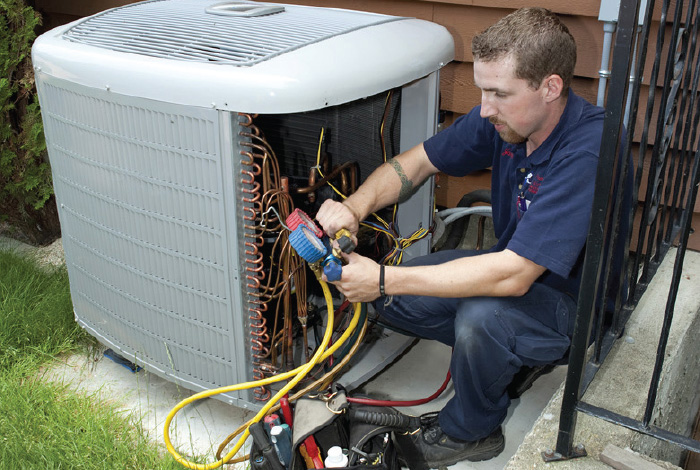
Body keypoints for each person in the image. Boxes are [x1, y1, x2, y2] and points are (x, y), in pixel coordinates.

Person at [317, 7, 606, 468]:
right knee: (395, 300)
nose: (485, 107)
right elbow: (416, 163)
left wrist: (385, 278)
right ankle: (503, 360)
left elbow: (512, 276)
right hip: (512, 269)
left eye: (499, 93)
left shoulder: (588, 150)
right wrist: (354, 206)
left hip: (571, 305)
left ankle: (471, 430)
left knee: (480, 316)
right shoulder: (506, 120)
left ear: (550, 87)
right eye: (482, 90)